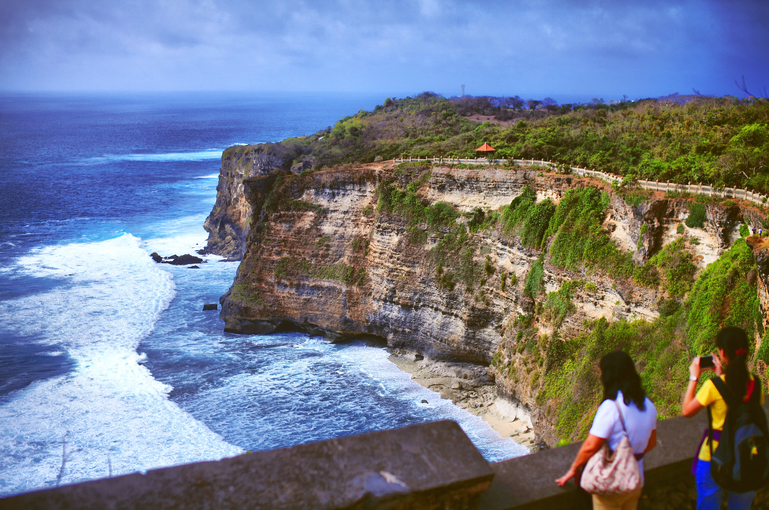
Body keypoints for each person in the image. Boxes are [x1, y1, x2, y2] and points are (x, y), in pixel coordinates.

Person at [556, 351, 658, 510]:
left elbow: (591, 445)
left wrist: (573, 468)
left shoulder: (611, 407)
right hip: (635, 480)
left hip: (611, 484)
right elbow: (651, 443)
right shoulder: (648, 405)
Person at [682, 326, 764, 510]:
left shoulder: (713, 386)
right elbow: (741, 407)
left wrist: (694, 378)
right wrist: (721, 376)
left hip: (714, 456)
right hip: (746, 454)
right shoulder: (755, 384)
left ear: (722, 353)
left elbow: (687, 410)